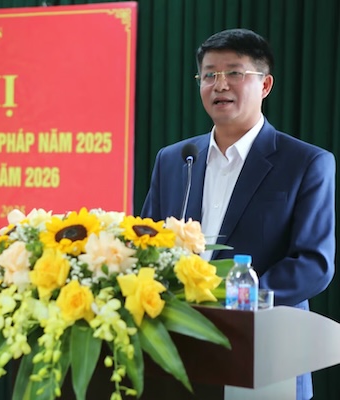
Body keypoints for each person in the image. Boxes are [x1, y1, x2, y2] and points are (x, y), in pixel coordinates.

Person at [141, 28, 335, 400]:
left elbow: (314, 263)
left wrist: (231, 299)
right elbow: (148, 243)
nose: (220, 84)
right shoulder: (175, 159)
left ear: (265, 85)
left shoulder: (305, 162)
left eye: (234, 73)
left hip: (266, 352)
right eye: (209, 75)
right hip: (180, 351)